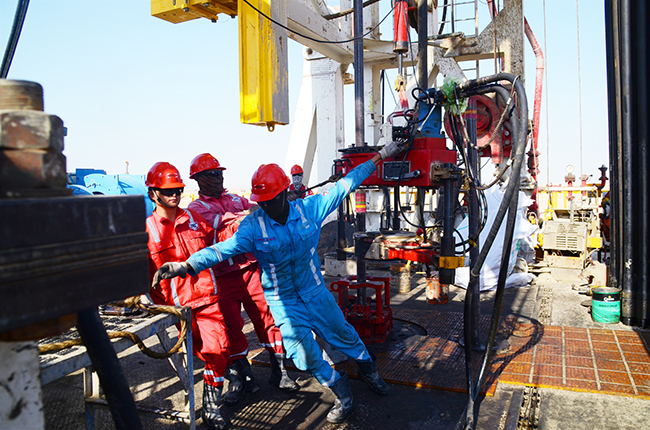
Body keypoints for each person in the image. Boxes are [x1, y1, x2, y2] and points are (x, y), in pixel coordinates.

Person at [153, 141, 407, 424]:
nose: (265, 206)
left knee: (344, 335)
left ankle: (369, 370)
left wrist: (381, 156)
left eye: (270, 200)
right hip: (284, 302)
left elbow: (347, 184)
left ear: (285, 193)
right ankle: (341, 391)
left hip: (315, 293)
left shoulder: (310, 209)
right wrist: (186, 265)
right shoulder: (253, 226)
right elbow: (220, 250)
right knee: (303, 355)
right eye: (261, 202)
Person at [187, 153, 299, 405]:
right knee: (232, 325)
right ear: (198, 179)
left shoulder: (236, 199)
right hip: (223, 276)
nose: (218, 177)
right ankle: (243, 375)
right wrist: (252, 213)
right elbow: (226, 228)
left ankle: (280, 371)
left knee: (268, 317)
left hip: (250, 269)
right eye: (212, 174)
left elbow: (257, 210)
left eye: (219, 173)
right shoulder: (197, 209)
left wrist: (274, 201)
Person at [144, 162, 229, 430]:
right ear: (153, 193)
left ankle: (211, 407)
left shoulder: (194, 219)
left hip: (205, 299)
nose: (175, 194)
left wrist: (248, 219)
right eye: (168, 190)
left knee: (218, 349)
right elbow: (137, 272)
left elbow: (221, 239)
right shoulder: (147, 230)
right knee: (195, 356)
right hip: (174, 309)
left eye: (178, 189)